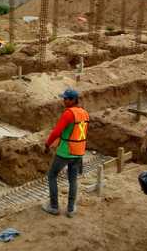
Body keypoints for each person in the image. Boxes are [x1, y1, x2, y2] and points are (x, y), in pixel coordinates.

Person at [42, 88, 89, 218]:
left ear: (73, 100)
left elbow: (56, 132)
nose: (64, 101)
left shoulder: (69, 114)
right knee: (73, 180)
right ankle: (70, 209)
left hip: (66, 151)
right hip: (79, 152)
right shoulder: (85, 113)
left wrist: (47, 144)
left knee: (52, 175)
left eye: (66, 99)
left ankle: (54, 206)